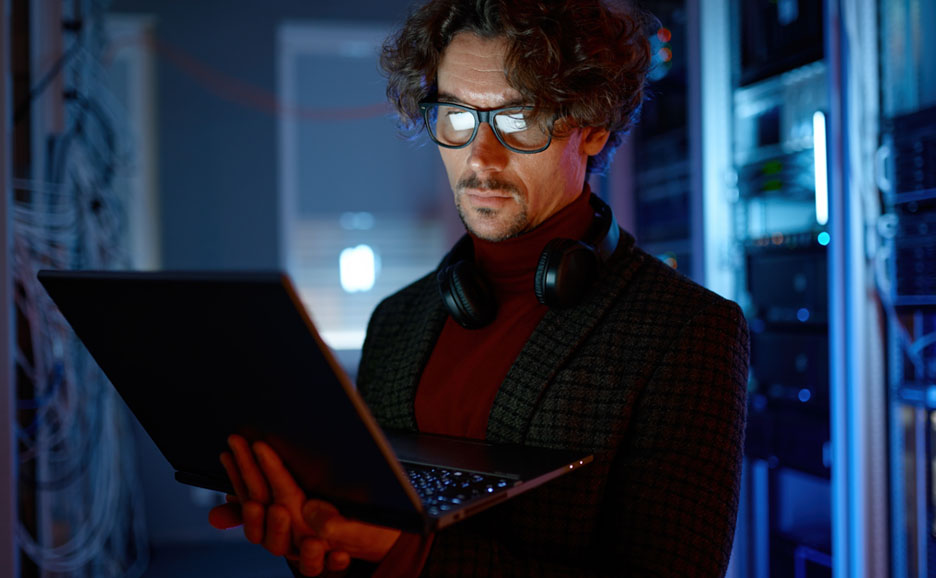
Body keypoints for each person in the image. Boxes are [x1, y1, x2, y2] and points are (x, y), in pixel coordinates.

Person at [209, 0, 750, 576]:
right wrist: (315, 533)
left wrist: (409, 552)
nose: (480, 158)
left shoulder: (688, 332)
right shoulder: (397, 319)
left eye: (518, 119)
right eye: (459, 117)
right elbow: (359, 535)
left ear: (592, 127)